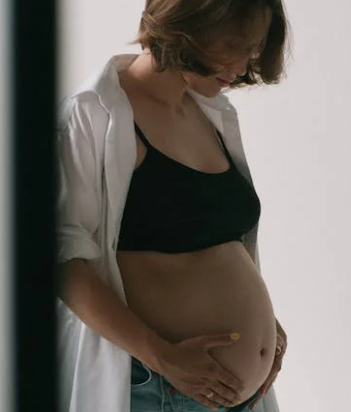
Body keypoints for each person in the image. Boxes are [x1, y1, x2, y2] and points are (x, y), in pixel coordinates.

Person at [55, 1, 291, 411]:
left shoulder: (210, 113)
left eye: (251, 49)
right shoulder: (91, 113)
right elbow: (59, 258)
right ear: (188, 22)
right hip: (158, 391)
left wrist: (266, 332)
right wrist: (161, 355)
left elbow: (221, 244)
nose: (242, 65)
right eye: (235, 45)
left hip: (236, 396)